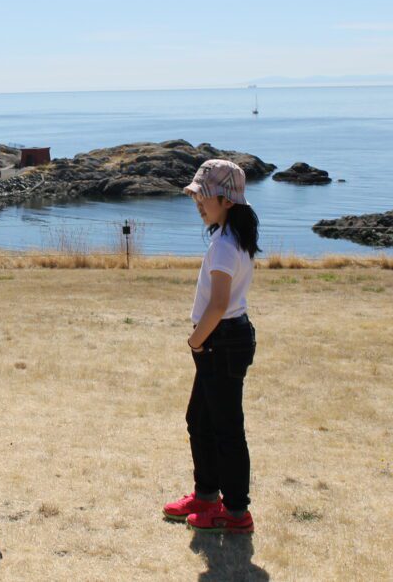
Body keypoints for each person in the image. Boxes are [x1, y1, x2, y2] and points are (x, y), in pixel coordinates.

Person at [162, 159, 260, 534]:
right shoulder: (231, 236)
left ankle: (236, 512)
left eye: (205, 197)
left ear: (228, 201)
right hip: (225, 339)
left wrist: (195, 341)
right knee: (200, 420)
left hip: (221, 340)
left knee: (225, 428)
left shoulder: (224, 245)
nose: (198, 203)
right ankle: (206, 496)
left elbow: (218, 304)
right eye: (196, 197)